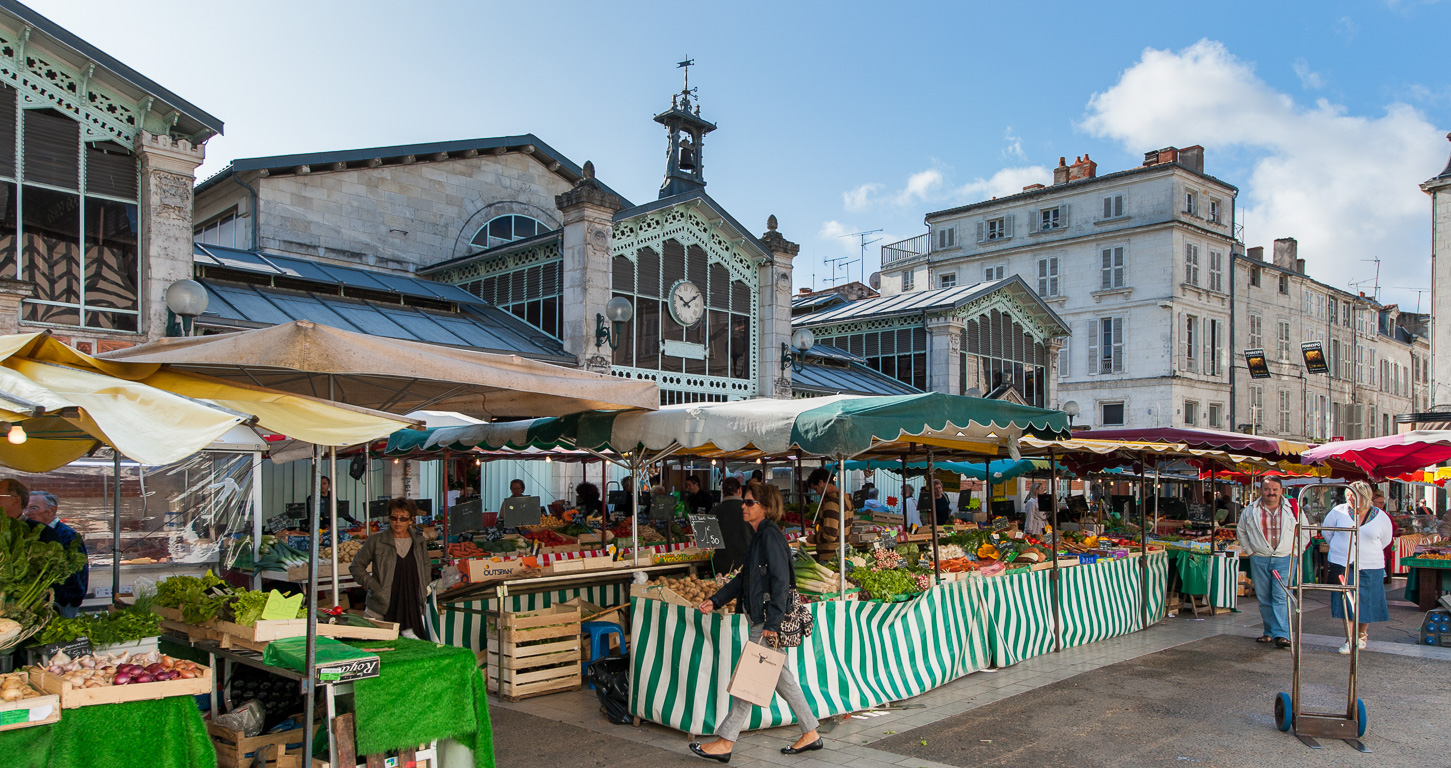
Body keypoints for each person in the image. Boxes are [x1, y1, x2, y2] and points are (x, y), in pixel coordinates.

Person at [690, 483, 822, 762]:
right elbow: (743, 578)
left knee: (748, 683)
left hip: (766, 622)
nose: (743, 506)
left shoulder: (770, 536)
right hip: (762, 619)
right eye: (745, 502)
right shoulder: (760, 536)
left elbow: (781, 581)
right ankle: (811, 732)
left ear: (765, 507)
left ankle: (725, 742)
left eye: (749, 502)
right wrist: (715, 600)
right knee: (783, 681)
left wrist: (772, 623)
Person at [1236, 477, 1310, 649]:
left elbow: (1305, 532)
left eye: (1275, 489)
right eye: (1267, 489)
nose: (1271, 493)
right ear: (1261, 490)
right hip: (1260, 557)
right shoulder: (1250, 510)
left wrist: (1295, 552)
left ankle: (1282, 634)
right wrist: (1250, 552)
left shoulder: (1292, 509)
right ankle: (1269, 632)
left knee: (1280, 596)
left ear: (1281, 491)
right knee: (1264, 597)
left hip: (1284, 558)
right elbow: (1241, 532)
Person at [1323, 481, 1394, 654]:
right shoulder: (1338, 511)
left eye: (1356, 497)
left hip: (1370, 564)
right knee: (1346, 601)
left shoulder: (1380, 516)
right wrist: (1340, 548)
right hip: (1342, 562)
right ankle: (1350, 638)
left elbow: (1386, 540)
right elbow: (1327, 532)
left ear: (1366, 497)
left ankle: (1361, 635)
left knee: (1366, 601)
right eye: (1349, 497)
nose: (1352, 501)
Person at [349, 498, 431, 639]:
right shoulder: (376, 541)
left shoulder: (419, 542)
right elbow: (356, 566)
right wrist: (375, 587)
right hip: (381, 607)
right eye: (394, 517)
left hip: (412, 607)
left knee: (412, 650)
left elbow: (426, 565)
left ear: (411, 520)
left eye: (403, 518)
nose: (398, 522)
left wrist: (423, 586)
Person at [26, 491, 88, 618]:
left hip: (60, 605)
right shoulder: (36, 533)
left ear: (51, 510)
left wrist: (58, 601)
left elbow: (74, 576)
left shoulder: (66, 535)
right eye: (25, 508)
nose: (27, 513)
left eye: (33, 507)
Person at [805, 468, 849, 562]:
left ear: (821, 483)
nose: (817, 493)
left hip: (830, 556)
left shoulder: (831, 503)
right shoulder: (846, 498)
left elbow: (829, 535)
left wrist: (813, 538)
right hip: (843, 550)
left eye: (816, 489)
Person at [709, 476, 750, 575]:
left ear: (723, 492)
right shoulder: (749, 510)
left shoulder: (714, 511)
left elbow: (710, 541)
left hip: (721, 564)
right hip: (746, 563)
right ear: (740, 490)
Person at [1373, 490, 1397, 585]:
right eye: (1380, 503)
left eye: (1383, 503)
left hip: (1382, 549)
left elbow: (1393, 530)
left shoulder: (1385, 516)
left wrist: (1398, 531)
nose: (1382, 505)